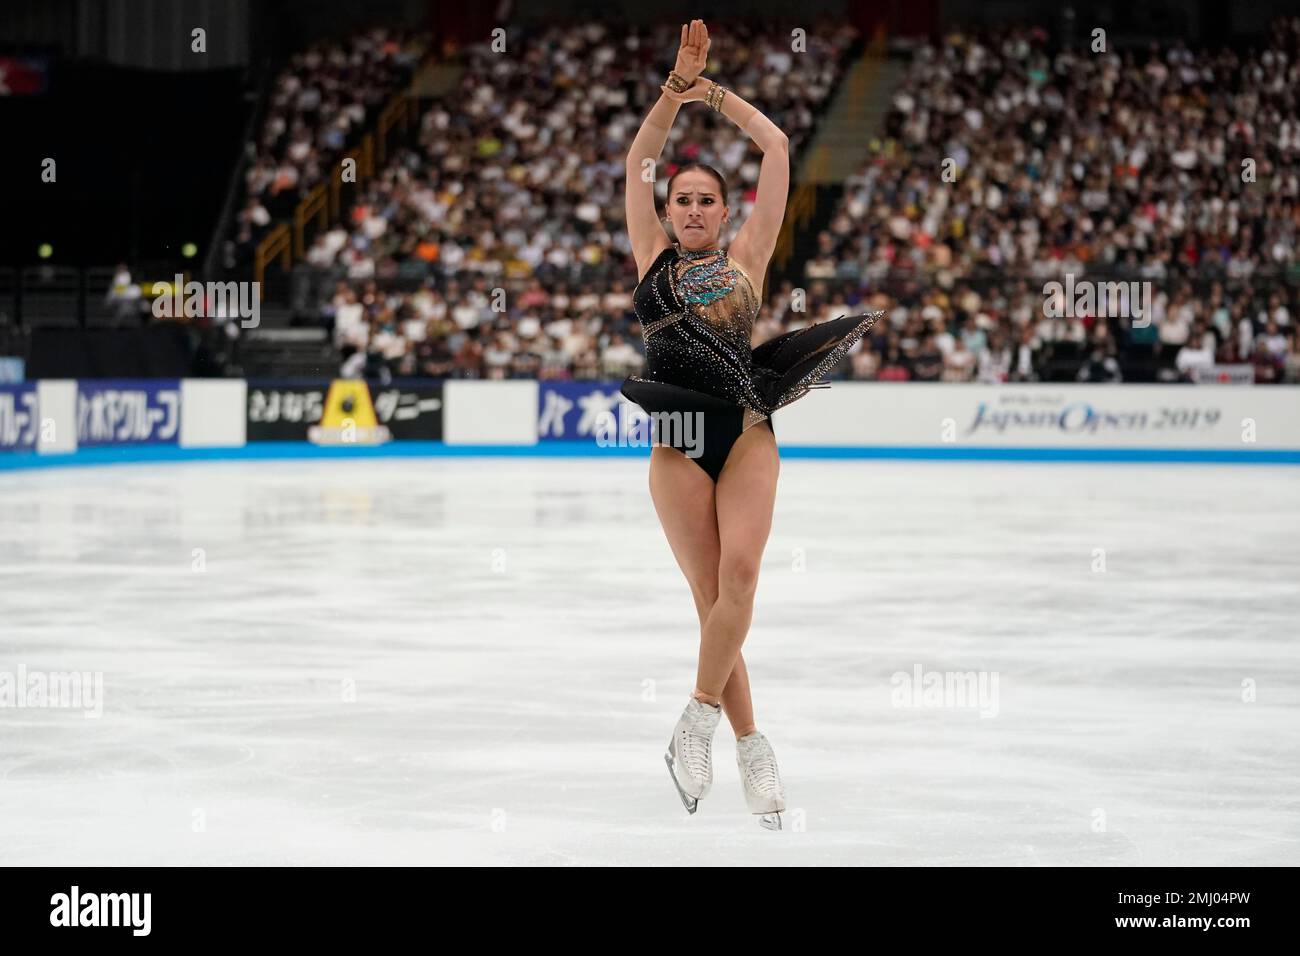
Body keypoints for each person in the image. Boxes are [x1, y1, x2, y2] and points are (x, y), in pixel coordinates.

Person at [620, 20, 881, 828]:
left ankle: (698, 722)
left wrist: (715, 95)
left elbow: (777, 150)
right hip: (678, 444)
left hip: (744, 432)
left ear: (726, 214)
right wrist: (672, 90)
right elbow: (637, 161)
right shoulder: (651, 258)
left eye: (706, 199)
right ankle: (752, 747)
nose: (693, 206)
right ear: (669, 211)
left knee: (740, 583)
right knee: (709, 600)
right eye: (682, 198)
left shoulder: (748, 261)